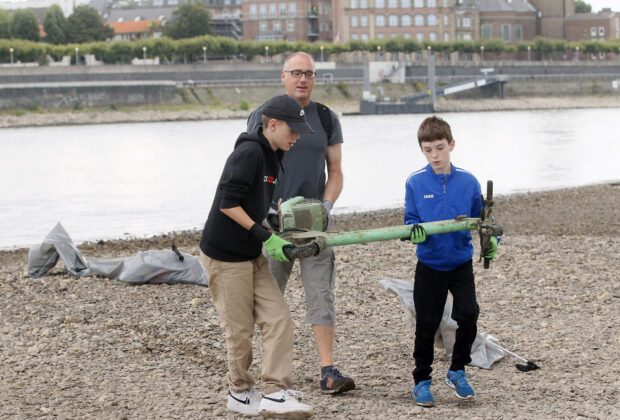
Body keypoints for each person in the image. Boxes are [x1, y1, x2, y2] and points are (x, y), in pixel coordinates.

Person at [199, 94, 314, 418]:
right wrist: (264, 235)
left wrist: (272, 233)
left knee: (278, 318)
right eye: (293, 130)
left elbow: (254, 206)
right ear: (272, 124)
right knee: (239, 330)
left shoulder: (274, 156)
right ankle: (239, 392)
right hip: (224, 256)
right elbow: (227, 203)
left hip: (252, 253)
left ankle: (275, 392)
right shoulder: (248, 153)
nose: (297, 136)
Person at [247, 51, 354, 395]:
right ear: (283, 76)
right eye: (296, 72)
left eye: (308, 73)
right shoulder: (263, 116)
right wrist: (262, 215)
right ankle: (266, 371)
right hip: (271, 226)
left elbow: (335, 172)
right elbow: (249, 169)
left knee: (320, 294)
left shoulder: (325, 117)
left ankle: (328, 371)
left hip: (313, 226)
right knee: (267, 298)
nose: (303, 79)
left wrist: (326, 206)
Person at [404, 116, 498, 407]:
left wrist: (493, 241)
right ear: (422, 150)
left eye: (440, 148)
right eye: (428, 149)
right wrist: (415, 234)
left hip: (460, 263)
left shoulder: (468, 182)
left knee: (468, 314)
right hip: (430, 264)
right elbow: (410, 221)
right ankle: (421, 381)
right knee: (427, 323)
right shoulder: (415, 182)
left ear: (451, 145)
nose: (435, 155)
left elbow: (483, 220)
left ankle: (457, 371)